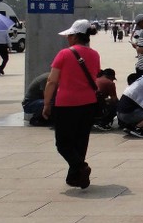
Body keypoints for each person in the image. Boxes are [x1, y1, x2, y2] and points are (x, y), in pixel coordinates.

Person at [42, 20, 101, 190]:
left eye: (69, 35)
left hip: (66, 103)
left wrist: (46, 103)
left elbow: (52, 80)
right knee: (80, 141)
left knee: (63, 143)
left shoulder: (64, 54)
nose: (68, 38)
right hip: (89, 103)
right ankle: (75, 177)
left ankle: (81, 167)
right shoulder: (95, 54)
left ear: (75, 36)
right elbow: (94, 75)